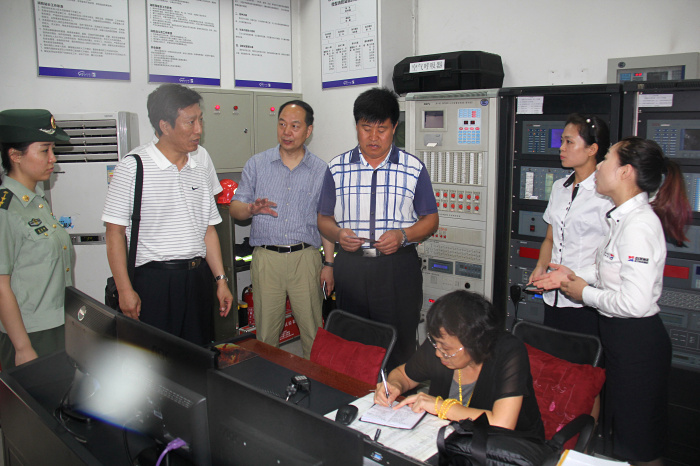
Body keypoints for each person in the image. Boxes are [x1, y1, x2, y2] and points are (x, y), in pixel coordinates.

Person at [533, 137, 691, 465]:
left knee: (640, 445)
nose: (601, 166)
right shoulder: (622, 218)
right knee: (626, 437)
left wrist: (583, 294)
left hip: (638, 345)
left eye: (607, 159)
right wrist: (568, 276)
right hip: (621, 340)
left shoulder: (639, 225)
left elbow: (635, 302)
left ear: (625, 172)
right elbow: (607, 267)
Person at [102, 84, 233, 346]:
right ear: (164, 125)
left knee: (198, 354)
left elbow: (208, 229)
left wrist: (221, 280)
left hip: (197, 279)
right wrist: (125, 290)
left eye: (200, 120)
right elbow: (114, 233)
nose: (199, 129)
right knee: (156, 359)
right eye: (190, 122)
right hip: (154, 283)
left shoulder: (200, 165)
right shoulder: (133, 167)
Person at [317, 87, 439, 369]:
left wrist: (403, 235)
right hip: (351, 267)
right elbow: (323, 218)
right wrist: (338, 234)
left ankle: (398, 397)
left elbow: (431, 220)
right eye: (366, 128)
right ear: (356, 126)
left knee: (400, 346)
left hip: (397, 269)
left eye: (381, 129)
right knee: (353, 346)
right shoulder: (336, 168)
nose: (373, 137)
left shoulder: (413, 168)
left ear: (394, 128)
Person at [229, 100, 334, 359]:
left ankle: (315, 381)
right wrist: (251, 209)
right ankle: (268, 381)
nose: (287, 132)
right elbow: (235, 209)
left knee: (313, 332)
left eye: (295, 126)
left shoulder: (321, 170)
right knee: (266, 335)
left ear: (308, 131)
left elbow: (325, 219)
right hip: (266, 259)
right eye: (282, 124)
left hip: (305, 259)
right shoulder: (257, 164)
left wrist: (329, 264)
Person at [374, 290, 544, 437]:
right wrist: (394, 385)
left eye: (446, 348)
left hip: (507, 447)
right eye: (436, 343)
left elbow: (501, 424)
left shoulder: (509, 351)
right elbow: (404, 374)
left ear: (474, 343)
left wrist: (440, 407)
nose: (438, 352)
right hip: (452, 440)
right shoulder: (441, 344)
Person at [0, 109, 73, 369]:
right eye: (44, 150)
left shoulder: (37, 201)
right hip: (29, 334)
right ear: (15, 156)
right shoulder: (6, 210)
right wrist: (22, 348)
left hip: (58, 326)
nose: (53, 158)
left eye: (53, 149)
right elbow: (1, 285)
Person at [528, 114, 613, 337]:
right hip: (552, 295)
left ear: (592, 149)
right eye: (562, 141)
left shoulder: (606, 195)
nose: (561, 148)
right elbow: (550, 238)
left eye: (569, 142)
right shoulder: (559, 187)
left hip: (585, 299)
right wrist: (541, 266)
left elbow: (611, 256)